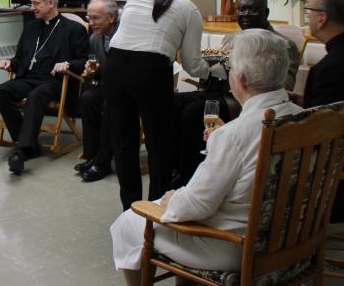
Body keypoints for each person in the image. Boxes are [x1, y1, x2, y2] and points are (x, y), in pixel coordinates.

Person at [110, 29, 301, 286]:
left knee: (128, 223)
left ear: (241, 79)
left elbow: (195, 206)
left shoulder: (235, 136)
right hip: (291, 235)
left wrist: (171, 199)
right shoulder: (304, 116)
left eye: (229, 68)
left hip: (239, 247)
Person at [105, 0, 213, 210]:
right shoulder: (189, 9)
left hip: (115, 66)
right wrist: (213, 70)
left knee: (124, 142)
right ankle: (155, 208)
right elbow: (192, 64)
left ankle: (130, 208)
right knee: (158, 143)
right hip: (150, 71)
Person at [175, 0, 301, 184]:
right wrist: (208, 68)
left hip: (242, 100)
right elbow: (211, 77)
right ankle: (174, 166)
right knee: (172, 102)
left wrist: (237, 72)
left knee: (193, 113)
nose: (246, 15)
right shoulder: (230, 39)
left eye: (252, 10)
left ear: (266, 13)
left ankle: (190, 177)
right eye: (242, 10)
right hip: (219, 91)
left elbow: (282, 86)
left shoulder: (282, 45)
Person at [0, 0, 89, 176]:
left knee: (36, 95)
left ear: (50, 3)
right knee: (0, 92)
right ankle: (28, 144)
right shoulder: (30, 28)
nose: (32, 7)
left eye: (36, 3)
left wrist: (67, 64)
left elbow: (83, 61)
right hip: (28, 78)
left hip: (56, 81)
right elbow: (20, 59)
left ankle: (22, 150)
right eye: (31, 3)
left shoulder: (73, 29)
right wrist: (9, 63)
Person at [303, 0, 344, 222]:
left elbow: (319, 134)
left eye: (309, 11)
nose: (308, 18)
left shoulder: (330, 69)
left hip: (334, 189)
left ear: (322, 18)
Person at [73, 0, 119, 183]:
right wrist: (94, 70)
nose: (91, 23)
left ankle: (103, 162)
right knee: (87, 98)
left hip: (126, 89)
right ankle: (92, 155)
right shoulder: (93, 38)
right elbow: (99, 71)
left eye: (96, 18)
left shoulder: (124, 36)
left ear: (112, 17)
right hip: (108, 86)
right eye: (89, 18)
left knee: (110, 105)